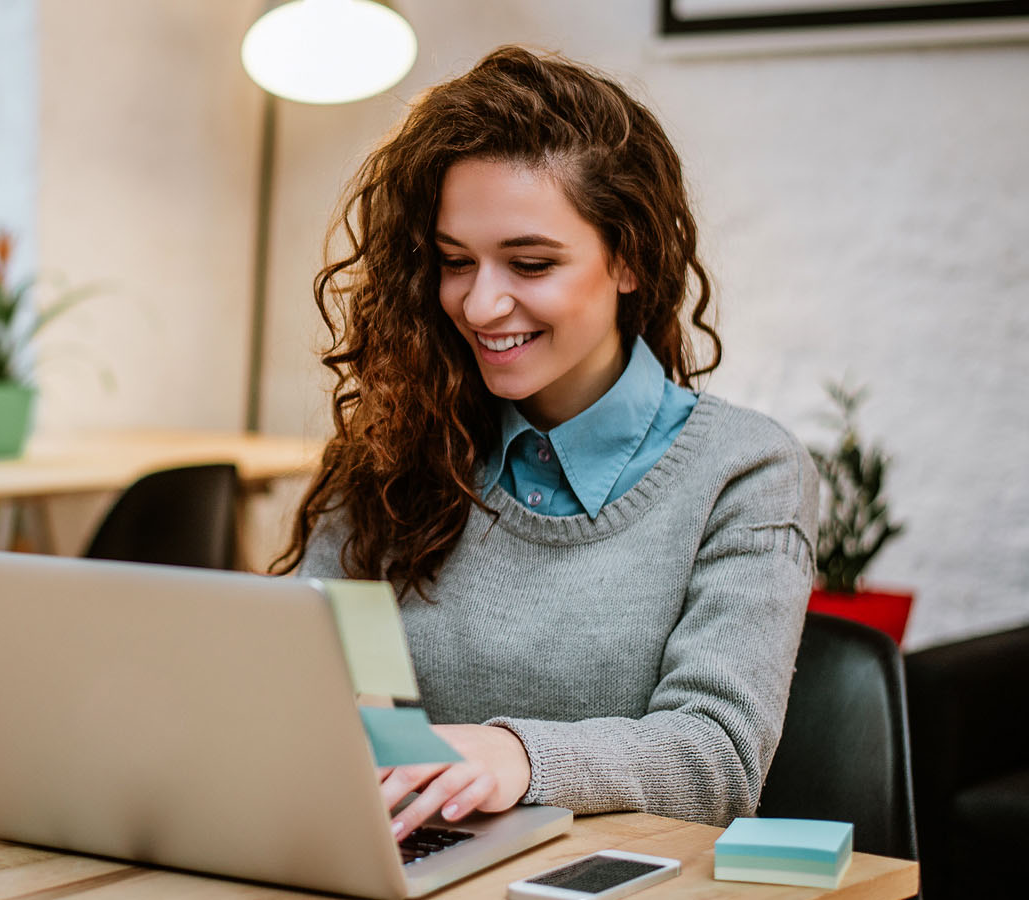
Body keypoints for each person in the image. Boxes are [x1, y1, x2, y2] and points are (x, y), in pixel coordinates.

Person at [273, 46, 818, 841]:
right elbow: (326, 670)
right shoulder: (400, 448)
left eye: (529, 263)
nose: (482, 304)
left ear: (629, 258)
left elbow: (717, 757)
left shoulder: (744, 473)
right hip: (402, 867)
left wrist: (515, 754)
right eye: (455, 262)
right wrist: (343, 711)